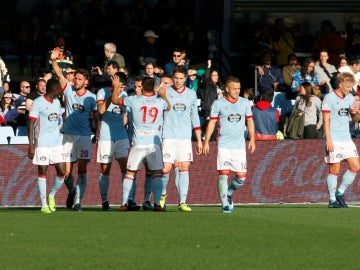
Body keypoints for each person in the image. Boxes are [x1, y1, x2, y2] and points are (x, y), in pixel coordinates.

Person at [111, 75, 170, 212]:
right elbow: (168, 107)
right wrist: (162, 95)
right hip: (153, 144)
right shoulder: (160, 102)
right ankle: (156, 203)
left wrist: (115, 86)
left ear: (142, 87)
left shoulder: (133, 100)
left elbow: (114, 100)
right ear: (154, 88)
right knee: (156, 174)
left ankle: (124, 203)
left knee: (130, 173)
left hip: (138, 144)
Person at [50, 47, 97, 212]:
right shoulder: (68, 89)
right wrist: (54, 59)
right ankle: (71, 190)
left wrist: (97, 132)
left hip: (84, 136)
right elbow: (59, 74)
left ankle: (78, 202)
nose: (75, 80)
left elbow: (96, 116)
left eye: (79, 79)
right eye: (75, 78)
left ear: (86, 82)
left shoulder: (91, 97)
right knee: (66, 173)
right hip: (68, 135)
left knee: (82, 169)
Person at [203, 76, 256, 213]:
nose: (237, 91)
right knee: (223, 175)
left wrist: (252, 139)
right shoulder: (218, 104)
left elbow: (249, 121)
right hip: (224, 146)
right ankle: (225, 203)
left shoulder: (245, 103)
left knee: (241, 178)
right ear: (227, 89)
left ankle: (230, 193)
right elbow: (212, 123)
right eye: (234, 89)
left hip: (239, 146)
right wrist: (206, 142)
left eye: (239, 89)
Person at [160, 66, 203, 212]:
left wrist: (199, 140)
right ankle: (162, 195)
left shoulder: (191, 94)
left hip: (184, 137)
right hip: (168, 136)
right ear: (173, 78)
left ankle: (182, 202)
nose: (178, 81)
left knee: (184, 168)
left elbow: (194, 117)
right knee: (166, 169)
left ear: (185, 79)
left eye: (181, 78)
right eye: (176, 78)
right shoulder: (166, 91)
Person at [322, 72, 360, 208]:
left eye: (351, 87)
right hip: (333, 138)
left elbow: (355, 120)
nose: (350, 89)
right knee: (334, 169)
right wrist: (328, 139)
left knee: (356, 166)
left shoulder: (350, 98)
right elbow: (326, 121)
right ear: (340, 84)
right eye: (348, 86)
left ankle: (340, 192)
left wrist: (356, 113)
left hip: (346, 138)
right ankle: (332, 201)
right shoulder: (329, 98)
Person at [27, 79, 66, 214]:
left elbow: (59, 120)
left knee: (62, 172)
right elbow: (30, 123)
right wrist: (31, 144)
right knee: (42, 171)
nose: (60, 92)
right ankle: (44, 204)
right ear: (53, 89)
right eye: (58, 90)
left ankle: (51, 195)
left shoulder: (57, 102)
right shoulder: (38, 102)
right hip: (42, 143)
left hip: (56, 143)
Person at [96, 72, 130, 211]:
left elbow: (125, 114)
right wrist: (114, 92)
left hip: (121, 136)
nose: (121, 89)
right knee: (105, 169)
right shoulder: (102, 92)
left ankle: (126, 201)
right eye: (120, 86)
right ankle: (104, 200)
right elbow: (102, 110)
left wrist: (122, 127)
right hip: (105, 137)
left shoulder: (125, 95)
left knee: (126, 168)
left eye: (123, 87)